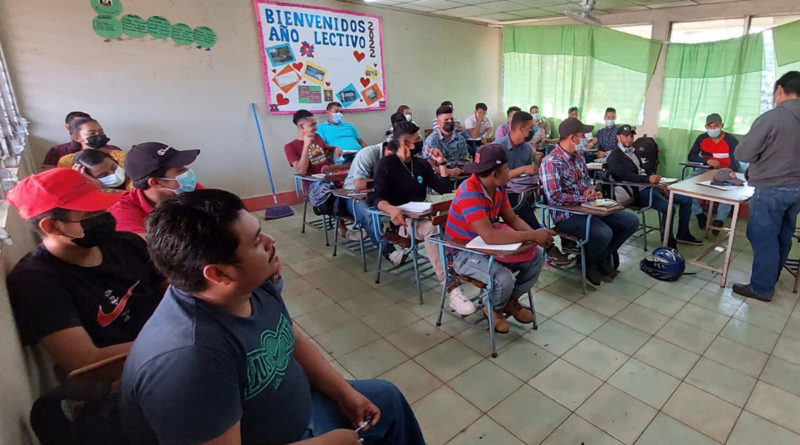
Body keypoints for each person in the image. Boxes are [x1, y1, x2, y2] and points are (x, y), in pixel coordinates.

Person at [120, 188, 425, 445]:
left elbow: (287, 336)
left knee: (386, 398)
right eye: (255, 242)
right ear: (219, 273)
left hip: (302, 407)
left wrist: (344, 393)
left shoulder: (249, 285)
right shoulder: (189, 359)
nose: (270, 242)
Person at [6, 168, 166, 373]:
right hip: (130, 378)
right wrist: (173, 344)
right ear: (51, 227)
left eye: (103, 209)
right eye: (91, 214)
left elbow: (171, 289)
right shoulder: (35, 282)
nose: (106, 218)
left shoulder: (126, 243)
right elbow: (85, 361)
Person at [445, 144, 554, 333]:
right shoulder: (469, 192)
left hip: (487, 248)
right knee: (503, 278)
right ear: (494, 174)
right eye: (506, 169)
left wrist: (536, 238)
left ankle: (509, 301)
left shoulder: (498, 188)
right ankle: (493, 308)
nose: (509, 172)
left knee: (537, 255)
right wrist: (533, 235)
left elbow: (512, 218)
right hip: (462, 253)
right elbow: (489, 235)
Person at [375, 121, 475, 315]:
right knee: (432, 229)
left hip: (424, 215)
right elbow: (377, 198)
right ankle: (451, 288)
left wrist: (441, 163)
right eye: (417, 139)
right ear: (405, 142)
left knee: (453, 220)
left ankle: (461, 267)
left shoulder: (419, 163)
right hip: (403, 222)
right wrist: (392, 210)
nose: (421, 143)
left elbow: (444, 188)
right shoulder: (386, 164)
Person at [540, 118, 639, 286]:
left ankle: (595, 257)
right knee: (603, 233)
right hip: (567, 215)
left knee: (631, 221)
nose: (585, 139)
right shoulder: (551, 162)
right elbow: (555, 197)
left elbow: (586, 182)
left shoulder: (578, 157)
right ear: (572, 138)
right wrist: (584, 197)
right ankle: (591, 262)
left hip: (590, 208)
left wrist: (591, 190)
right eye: (582, 136)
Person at [732, 71, 800, 302]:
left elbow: (744, 152)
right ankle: (772, 276)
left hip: (772, 188)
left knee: (762, 235)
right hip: (797, 190)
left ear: (780, 89)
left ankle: (761, 287)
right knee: (784, 233)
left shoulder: (773, 117)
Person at [605, 125, 702, 247]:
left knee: (686, 199)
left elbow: (642, 171)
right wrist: (648, 180)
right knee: (669, 208)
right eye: (626, 136)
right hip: (637, 192)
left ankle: (683, 234)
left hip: (649, 187)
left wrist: (658, 184)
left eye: (631, 135)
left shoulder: (633, 152)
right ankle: (669, 241)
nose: (629, 138)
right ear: (618, 137)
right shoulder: (615, 156)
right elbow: (625, 175)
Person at [284, 110, 356, 240]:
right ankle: (345, 228)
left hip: (330, 178)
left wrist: (335, 148)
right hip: (314, 185)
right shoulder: (290, 147)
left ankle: (358, 219)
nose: (316, 127)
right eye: (312, 124)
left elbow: (329, 147)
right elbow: (301, 170)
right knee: (330, 191)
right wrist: (306, 145)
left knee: (354, 185)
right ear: (301, 126)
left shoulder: (317, 137)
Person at [109, 142, 202, 238]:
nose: (188, 172)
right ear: (155, 182)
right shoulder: (123, 210)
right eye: (180, 170)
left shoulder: (190, 189)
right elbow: (148, 247)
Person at [343, 139, 405, 266]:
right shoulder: (368, 153)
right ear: (387, 150)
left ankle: (404, 240)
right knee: (369, 215)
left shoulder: (396, 158)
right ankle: (390, 253)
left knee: (403, 205)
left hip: (377, 195)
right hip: (353, 195)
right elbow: (359, 184)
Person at [687, 113, 740, 231]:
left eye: (715, 126)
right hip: (705, 170)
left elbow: (735, 163)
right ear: (706, 127)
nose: (712, 129)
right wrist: (707, 161)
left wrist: (723, 173)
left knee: (729, 190)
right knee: (687, 184)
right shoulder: (702, 138)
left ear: (722, 125)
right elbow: (691, 156)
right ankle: (699, 214)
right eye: (709, 127)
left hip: (726, 171)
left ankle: (719, 220)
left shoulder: (731, 140)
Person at [55, 117, 125, 168]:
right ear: (76, 138)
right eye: (92, 133)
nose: (99, 135)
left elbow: (131, 185)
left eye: (101, 132)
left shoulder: (120, 156)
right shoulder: (67, 161)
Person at [424, 104, 470, 171]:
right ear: (438, 122)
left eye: (451, 119)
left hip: (461, 173)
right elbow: (431, 166)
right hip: (442, 176)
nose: (450, 121)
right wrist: (449, 172)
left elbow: (465, 159)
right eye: (446, 120)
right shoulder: (432, 140)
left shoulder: (460, 139)